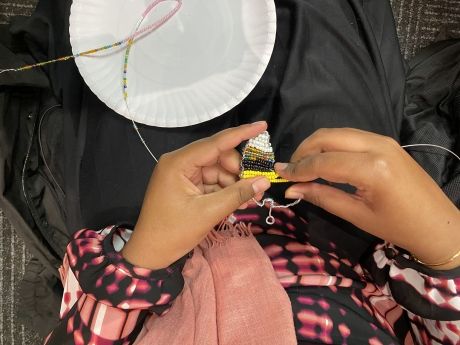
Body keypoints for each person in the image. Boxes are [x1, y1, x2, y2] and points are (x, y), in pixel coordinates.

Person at [44, 122, 460, 344]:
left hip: (141, 253)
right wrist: (447, 250)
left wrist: (141, 259)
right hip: (348, 242)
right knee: (318, 51)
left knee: (133, 95)